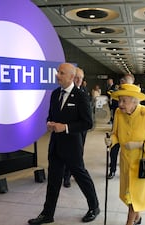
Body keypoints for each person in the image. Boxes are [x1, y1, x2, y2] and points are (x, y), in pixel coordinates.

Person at [28, 63, 100, 225]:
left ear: (71, 77)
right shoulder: (54, 94)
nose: (57, 75)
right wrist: (49, 123)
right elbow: (50, 116)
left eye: (61, 73)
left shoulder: (80, 96)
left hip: (72, 147)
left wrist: (65, 127)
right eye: (58, 72)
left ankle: (94, 207)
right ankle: (47, 214)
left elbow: (88, 123)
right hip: (55, 145)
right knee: (53, 180)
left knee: (81, 177)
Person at [104, 83, 145, 225]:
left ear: (135, 101)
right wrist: (110, 140)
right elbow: (116, 134)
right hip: (126, 161)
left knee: (135, 198)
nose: (120, 104)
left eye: (124, 101)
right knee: (129, 196)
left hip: (142, 164)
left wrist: (138, 144)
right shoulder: (119, 113)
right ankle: (137, 217)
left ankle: (129, 222)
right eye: (119, 100)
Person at [63, 67, 90, 188]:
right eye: (77, 77)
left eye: (81, 78)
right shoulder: (66, 92)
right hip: (70, 129)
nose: (79, 80)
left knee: (79, 152)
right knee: (70, 153)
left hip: (82, 129)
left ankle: (77, 172)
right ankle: (67, 176)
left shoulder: (84, 91)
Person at [107, 73, 135, 179]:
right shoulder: (117, 94)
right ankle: (112, 170)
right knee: (114, 149)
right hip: (119, 127)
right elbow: (114, 106)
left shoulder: (136, 96)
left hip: (132, 131)